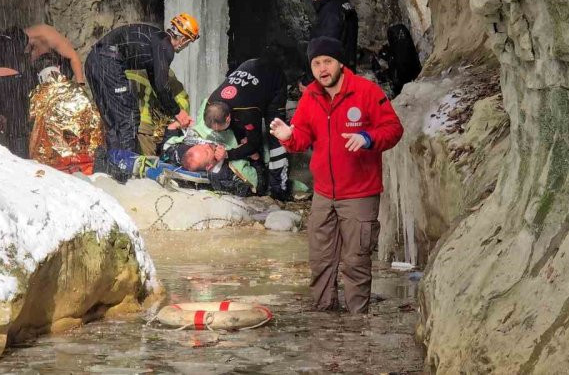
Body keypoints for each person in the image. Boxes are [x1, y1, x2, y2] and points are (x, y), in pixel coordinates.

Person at [270, 37, 403, 313]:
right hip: (323, 194)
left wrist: (368, 137)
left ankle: (357, 324)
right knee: (320, 260)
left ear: (340, 62)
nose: (322, 69)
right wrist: (288, 136)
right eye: (316, 63)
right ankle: (325, 320)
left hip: (359, 193)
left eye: (327, 61)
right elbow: (303, 137)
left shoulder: (365, 91)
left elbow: (393, 128)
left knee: (355, 261)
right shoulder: (311, 96)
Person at [0, 24, 83, 157]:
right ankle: (22, 158)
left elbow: (73, 57)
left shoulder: (28, 39)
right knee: (19, 131)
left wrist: (79, 87)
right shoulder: (28, 40)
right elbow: (14, 97)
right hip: (11, 79)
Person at [85, 14, 199, 162]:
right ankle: (126, 165)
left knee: (112, 118)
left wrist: (171, 111)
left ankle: (112, 161)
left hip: (92, 60)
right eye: (188, 43)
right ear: (184, 39)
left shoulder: (155, 39)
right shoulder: (165, 46)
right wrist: (178, 112)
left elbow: (155, 81)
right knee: (129, 116)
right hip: (108, 62)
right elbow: (161, 85)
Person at [203, 57, 291, 200]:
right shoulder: (211, 103)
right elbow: (236, 129)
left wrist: (228, 155)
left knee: (275, 135)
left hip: (273, 79)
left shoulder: (247, 110)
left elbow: (253, 142)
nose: (219, 133)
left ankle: (279, 189)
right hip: (249, 69)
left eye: (220, 129)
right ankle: (259, 165)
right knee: (243, 137)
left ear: (228, 118)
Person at [300, 0, 358, 89]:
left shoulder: (330, 14)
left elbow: (323, 50)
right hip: (345, 75)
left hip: (331, 81)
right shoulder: (344, 5)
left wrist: (309, 83)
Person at [126, 68, 190, 156]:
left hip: (123, 124)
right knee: (146, 163)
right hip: (143, 128)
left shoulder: (113, 62)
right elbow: (181, 99)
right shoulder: (158, 67)